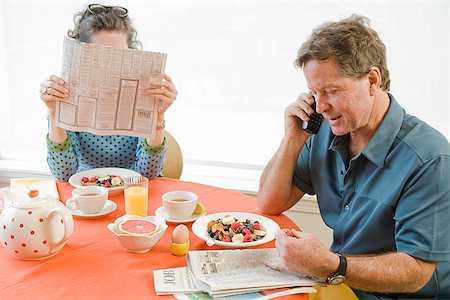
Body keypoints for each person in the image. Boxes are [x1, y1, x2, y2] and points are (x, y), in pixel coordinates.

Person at [258, 14, 449, 299]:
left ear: (372, 80)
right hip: (342, 286)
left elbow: (415, 272)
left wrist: (332, 264)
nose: (320, 106)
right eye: (314, 92)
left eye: (331, 91)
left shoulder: (429, 158)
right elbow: (270, 202)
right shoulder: (324, 131)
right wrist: (291, 140)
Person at [40, 4, 178, 181]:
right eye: (102, 56)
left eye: (120, 55)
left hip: (134, 190)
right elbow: (64, 174)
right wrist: (53, 112)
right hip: (88, 191)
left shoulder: (143, 94)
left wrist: (157, 118)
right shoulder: (65, 95)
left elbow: (148, 174)